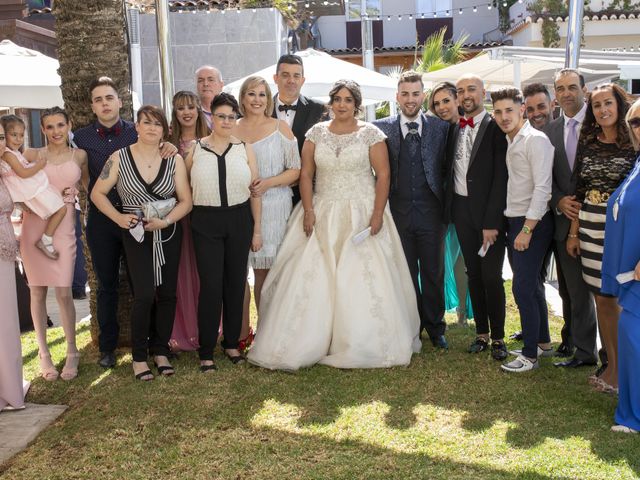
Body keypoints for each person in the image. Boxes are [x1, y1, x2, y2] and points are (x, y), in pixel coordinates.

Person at [248, 79, 421, 371]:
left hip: (362, 210)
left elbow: (383, 176)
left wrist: (377, 214)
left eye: (348, 100)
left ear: (357, 105)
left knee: (362, 275)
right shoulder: (316, 133)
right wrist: (308, 210)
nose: (342, 104)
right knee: (315, 275)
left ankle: (359, 340)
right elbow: (305, 175)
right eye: (337, 99)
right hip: (322, 209)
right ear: (331, 103)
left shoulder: (371, 134)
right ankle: (311, 339)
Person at [74, 76, 176, 369]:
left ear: (120, 102)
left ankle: (156, 345)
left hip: (141, 220)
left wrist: (168, 147)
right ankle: (108, 348)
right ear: (92, 106)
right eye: (98, 99)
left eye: (109, 97)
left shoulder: (139, 130)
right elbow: (77, 171)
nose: (105, 104)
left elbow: (159, 150)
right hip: (104, 220)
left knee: (144, 285)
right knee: (106, 285)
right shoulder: (81, 138)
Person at [91, 105, 192, 381]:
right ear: (136, 126)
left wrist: (167, 221)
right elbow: (97, 193)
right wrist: (118, 218)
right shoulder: (119, 157)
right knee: (145, 294)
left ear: (164, 129)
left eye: (157, 124)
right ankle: (138, 357)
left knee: (168, 293)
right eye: (145, 122)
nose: (151, 128)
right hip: (136, 233)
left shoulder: (174, 160)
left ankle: (160, 351)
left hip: (168, 232)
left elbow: (186, 201)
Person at [185, 93, 262, 371]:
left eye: (232, 116)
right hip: (205, 221)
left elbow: (255, 191)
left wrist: (257, 230)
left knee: (235, 282)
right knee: (211, 285)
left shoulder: (245, 148)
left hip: (240, 219)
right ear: (211, 117)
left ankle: (231, 343)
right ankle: (206, 350)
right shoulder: (195, 149)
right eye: (221, 115)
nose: (227, 121)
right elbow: (183, 187)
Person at [566, 83, 635, 391]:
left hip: (621, 229)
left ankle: (627, 371)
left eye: (608, 103)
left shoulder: (633, 144)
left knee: (622, 301)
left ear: (619, 105)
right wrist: (573, 233)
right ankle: (613, 368)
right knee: (602, 300)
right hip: (590, 225)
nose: (603, 110)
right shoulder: (589, 141)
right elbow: (578, 190)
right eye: (597, 105)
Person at [374, 71, 449, 349]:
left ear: (423, 95)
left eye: (415, 94)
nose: (410, 99)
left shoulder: (441, 128)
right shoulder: (380, 128)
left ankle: (436, 326)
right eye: (404, 94)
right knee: (404, 273)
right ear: (397, 97)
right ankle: (411, 325)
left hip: (432, 214)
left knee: (433, 272)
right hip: (398, 213)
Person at [18, 108, 89, 381]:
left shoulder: (79, 155)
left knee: (63, 292)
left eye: (60, 125)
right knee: (36, 292)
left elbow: (88, 187)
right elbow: (11, 182)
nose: (56, 131)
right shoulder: (32, 155)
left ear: (69, 125)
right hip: (34, 226)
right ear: (43, 129)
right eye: (50, 126)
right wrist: (25, 202)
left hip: (63, 228)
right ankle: (44, 354)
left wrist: (76, 192)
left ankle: (72, 351)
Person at [491, 88, 555, 372]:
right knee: (531, 285)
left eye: (509, 111)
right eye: (498, 112)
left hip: (533, 223)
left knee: (523, 287)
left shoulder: (535, 140)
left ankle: (529, 356)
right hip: (517, 220)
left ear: (522, 111)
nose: (503, 117)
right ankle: (541, 342)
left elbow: (543, 188)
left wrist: (526, 230)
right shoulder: (513, 140)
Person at [446, 74, 508, 361]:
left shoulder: (496, 127)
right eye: (460, 91)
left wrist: (492, 222)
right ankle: (480, 334)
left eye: (471, 89)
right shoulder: (453, 129)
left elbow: (501, 178)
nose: (466, 94)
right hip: (461, 211)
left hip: (488, 215)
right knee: (473, 274)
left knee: (492, 276)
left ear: (483, 92)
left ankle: (498, 338)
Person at [234, 76, 300, 330]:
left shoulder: (280, 128)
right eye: (252, 94)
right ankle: (240, 331)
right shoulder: (232, 128)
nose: (257, 100)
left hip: (275, 206)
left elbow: (296, 170)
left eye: (262, 95)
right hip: (240, 206)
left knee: (268, 271)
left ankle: (268, 331)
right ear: (243, 98)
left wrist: (268, 183)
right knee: (241, 273)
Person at [544, 69, 599, 367]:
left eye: (572, 87)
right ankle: (585, 352)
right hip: (563, 225)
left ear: (584, 89)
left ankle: (610, 356)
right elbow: (544, 177)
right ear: (555, 94)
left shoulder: (600, 123)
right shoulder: (549, 131)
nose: (567, 93)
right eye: (561, 88)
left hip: (599, 223)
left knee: (603, 296)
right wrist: (558, 200)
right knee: (573, 292)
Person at [601, 98, 640, 433]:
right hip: (630, 276)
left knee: (632, 340)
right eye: (636, 123)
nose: (639, 128)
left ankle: (633, 416)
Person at [168, 90, 210, 352]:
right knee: (181, 272)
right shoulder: (167, 144)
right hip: (178, 214)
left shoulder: (210, 141)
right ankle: (182, 331)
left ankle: (206, 328)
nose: (186, 112)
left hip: (205, 213)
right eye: (181, 108)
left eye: (191, 107)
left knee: (204, 271)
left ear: (198, 110)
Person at [428, 81, 473, 326]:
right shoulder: (436, 131)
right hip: (442, 205)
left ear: (457, 100)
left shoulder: (470, 127)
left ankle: (464, 313)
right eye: (437, 103)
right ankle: (443, 309)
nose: (442, 107)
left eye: (446, 100)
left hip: (466, 204)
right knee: (441, 260)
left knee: (463, 262)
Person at [0, 115, 67, 260]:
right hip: (27, 189)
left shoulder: (14, 153)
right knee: (62, 209)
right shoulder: (7, 154)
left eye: (21, 135)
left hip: (27, 189)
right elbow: (23, 173)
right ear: (4, 135)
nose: (18, 139)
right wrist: (38, 166)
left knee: (59, 207)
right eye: (13, 135)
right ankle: (46, 240)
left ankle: (47, 239)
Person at [272, 54, 325, 205]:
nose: (291, 81)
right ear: (275, 78)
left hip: (307, 195)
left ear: (302, 80)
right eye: (285, 75)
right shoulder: (260, 108)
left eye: (296, 75)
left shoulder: (319, 110)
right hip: (268, 193)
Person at [0, 126, 28, 410]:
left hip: (5, 252)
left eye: (0, 136)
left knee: (6, 322)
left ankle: (8, 388)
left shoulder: (7, 167)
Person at [195, 65, 224, 129]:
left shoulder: (233, 110)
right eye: (200, 80)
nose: (205, 84)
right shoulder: (189, 113)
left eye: (211, 80)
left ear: (221, 85)